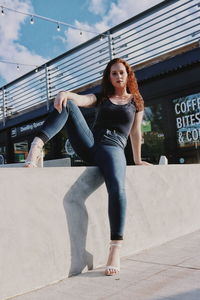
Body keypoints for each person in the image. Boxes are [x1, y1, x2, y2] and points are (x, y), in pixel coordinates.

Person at [24, 58, 152, 276]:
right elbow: (81, 100)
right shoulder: (102, 97)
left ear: (128, 75)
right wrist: (65, 93)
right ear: (109, 77)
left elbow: (135, 133)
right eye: (113, 73)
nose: (117, 77)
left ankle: (114, 248)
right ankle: (37, 145)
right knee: (68, 104)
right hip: (91, 144)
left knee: (117, 188)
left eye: (121, 72)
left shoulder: (136, 102)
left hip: (113, 148)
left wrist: (137, 159)